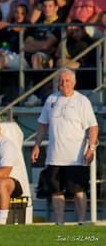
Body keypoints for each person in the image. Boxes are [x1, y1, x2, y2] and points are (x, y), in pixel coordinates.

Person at [31, 69, 98, 225]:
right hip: (54, 157)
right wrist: (36, 146)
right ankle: (59, 224)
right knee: (56, 191)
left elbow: (93, 127)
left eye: (67, 80)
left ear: (74, 82)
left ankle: (81, 222)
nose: (64, 84)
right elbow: (43, 125)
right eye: (61, 81)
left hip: (76, 158)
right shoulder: (51, 99)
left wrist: (91, 148)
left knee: (79, 191)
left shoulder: (82, 101)